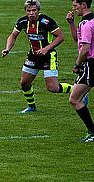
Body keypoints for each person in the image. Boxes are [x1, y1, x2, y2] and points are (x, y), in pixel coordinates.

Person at [1, 0, 73, 113]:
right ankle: (31, 107)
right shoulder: (22, 21)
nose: (31, 13)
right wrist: (7, 48)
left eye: (34, 10)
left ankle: (78, 91)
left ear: (38, 11)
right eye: (28, 10)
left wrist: (46, 49)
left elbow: (60, 37)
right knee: (24, 83)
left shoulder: (46, 21)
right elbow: (13, 36)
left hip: (48, 56)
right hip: (33, 56)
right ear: (25, 11)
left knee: (52, 88)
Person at [66, 0, 94, 142]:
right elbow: (78, 39)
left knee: (74, 99)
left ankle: (93, 132)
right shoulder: (89, 22)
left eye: (75, 6)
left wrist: (77, 64)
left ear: (84, 5)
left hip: (90, 64)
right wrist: (71, 23)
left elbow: (85, 49)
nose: (74, 9)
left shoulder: (86, 24)